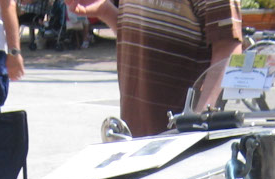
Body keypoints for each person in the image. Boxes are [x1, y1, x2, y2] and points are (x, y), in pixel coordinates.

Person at [66, 0, 241, 137]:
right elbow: (140, 40)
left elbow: (229, 50)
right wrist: (106, 11)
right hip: (135, 141)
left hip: (179, 147)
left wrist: (198, 122)